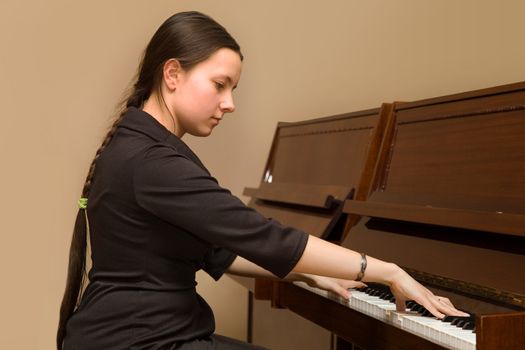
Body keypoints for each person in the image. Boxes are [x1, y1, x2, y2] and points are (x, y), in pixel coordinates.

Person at [57, 11, 466, 350]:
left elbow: (216, 251)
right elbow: (263, 236)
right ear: (172, 74)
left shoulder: (140, 143)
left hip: (133, 336)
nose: (229, 103)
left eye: (233, 88)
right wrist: (384, 270)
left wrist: (309, 273)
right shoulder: (152, 160)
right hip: (143, 342)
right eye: (220, 85)